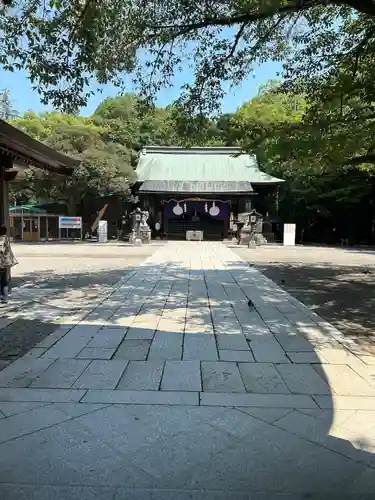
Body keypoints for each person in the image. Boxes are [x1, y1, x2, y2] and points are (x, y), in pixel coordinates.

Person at [0, 225, 17, 303]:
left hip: (2, 263)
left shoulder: (2, 239)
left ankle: (4, 296)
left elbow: (1, 249)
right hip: (6, 263)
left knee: (3, 281)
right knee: (5, 281)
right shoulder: (6, 238)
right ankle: (5, 297)